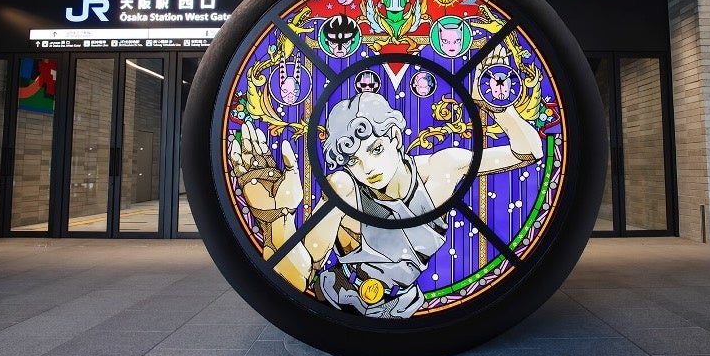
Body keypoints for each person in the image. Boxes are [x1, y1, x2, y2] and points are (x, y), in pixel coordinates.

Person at [229, 45, 542, 318]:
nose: (368, 167)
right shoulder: (346, 188)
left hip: (405, 303)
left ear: (395, 137)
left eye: (376, 149)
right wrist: (278, 217)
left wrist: (498, 105)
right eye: (354, 159)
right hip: (339, 301)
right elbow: (295, 276)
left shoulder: (440, 169)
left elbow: (529, 153)